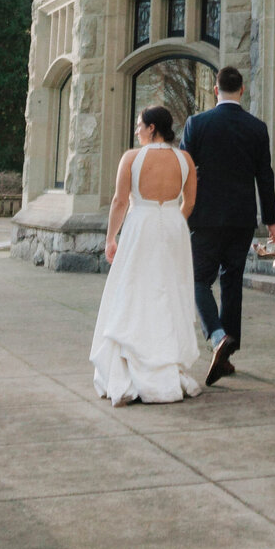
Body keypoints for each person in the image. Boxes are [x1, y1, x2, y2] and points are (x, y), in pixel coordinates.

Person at [90, 104, 201, 405]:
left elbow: (119, 201)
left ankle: (131, 366)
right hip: (173, 227)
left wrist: (111, 237)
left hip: (141, 225)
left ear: (152, 127)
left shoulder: (132, 158)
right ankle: (167, 366)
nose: (137, 130)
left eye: (140, 125)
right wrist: (171, 220)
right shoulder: (185, 159)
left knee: (134, 290)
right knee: (169, 290)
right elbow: (189, 202)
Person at [181, 65, 275, 385]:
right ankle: (226, 357)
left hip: (205, 218)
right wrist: (272, 222)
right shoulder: (256, 128)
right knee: (232, 282)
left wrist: (180, 210)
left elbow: (183, 171)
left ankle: (218, 336)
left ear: (215, 90)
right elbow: (265, 175)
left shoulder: (197, 124)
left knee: (198, 280)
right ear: (242, 90)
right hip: (241, 219)